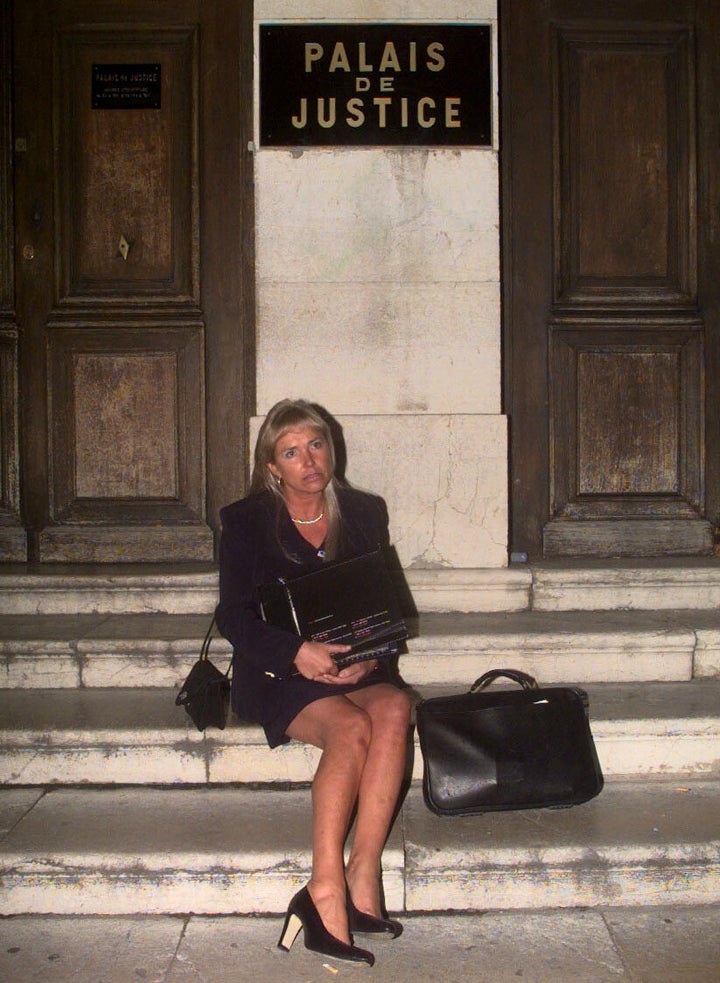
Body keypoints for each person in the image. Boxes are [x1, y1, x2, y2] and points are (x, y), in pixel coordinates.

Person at [215, 398, 412, 967]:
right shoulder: (247, 520)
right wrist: (296, 652)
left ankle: (363, 873)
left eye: (317, 445)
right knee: (350, 727)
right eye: (292, 451)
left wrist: (369, 661)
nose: (309, 461)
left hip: (354, 665)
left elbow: (383, 604)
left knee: (395, 709)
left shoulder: (364, 511)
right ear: (272, 466)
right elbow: (232, 615)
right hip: (281, 671)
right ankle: (323, 889)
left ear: (332, 447)